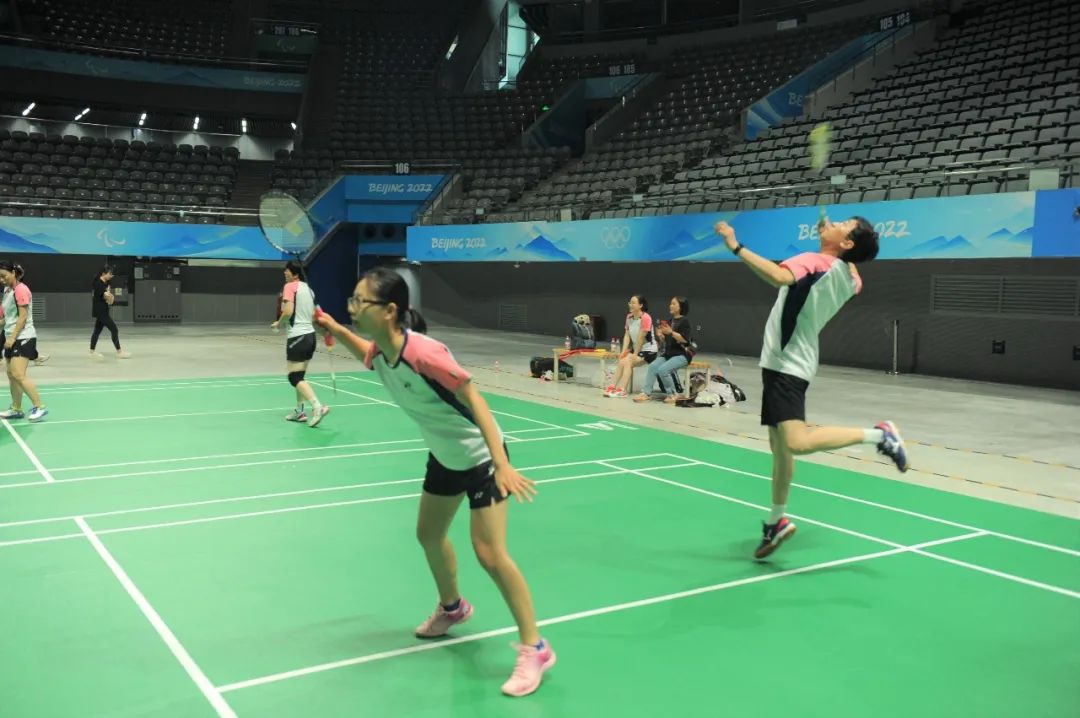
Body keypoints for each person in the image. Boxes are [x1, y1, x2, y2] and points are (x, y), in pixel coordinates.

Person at [313, 267, 555, 697]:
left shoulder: (424, 353)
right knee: (428, 534)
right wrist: (334, 327)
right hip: (445, 456)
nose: (353, 307)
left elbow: (475, 398)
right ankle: (453, 608)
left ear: (390, 311)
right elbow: (366, 353)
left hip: (480, 457)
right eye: (352, 300)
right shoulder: (383, 351)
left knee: (490, 554)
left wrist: (501, 464)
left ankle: (535, 648)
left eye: (359, 302)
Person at [713, 218, 909, 559]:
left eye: (842, 224)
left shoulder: (814, 262)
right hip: (786, 363)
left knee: (796, 443)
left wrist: (735, 245)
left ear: (847, 244)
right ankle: (776, 521)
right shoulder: (849, 277)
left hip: (787, 364)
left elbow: (778, 276)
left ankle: (880, 435)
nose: (832, 223)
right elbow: (853, 273)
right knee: (780, 449)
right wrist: (831, 238)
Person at [270, 261, 329, 427]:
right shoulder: (309, 290)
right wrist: (325, 333)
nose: (285, 273)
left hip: (297, 336)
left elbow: (288, 311)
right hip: (310, 337)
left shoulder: (289, 287)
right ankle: (300, 411)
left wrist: (278, 324)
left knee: (294, 377)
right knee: (300, 377)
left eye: (287, 270)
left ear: (295, 273)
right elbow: (316, 316)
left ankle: (317, 407)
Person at [0, 260, 47, 421]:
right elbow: (7, 318)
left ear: (13, 273)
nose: (1, 280)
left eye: (4, 276)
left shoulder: (21, 290)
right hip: (10, 337)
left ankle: (39, 407)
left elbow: (23, 317)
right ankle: (16, 408)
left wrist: (12, 337)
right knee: (11, 374)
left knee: (18, 374)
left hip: (23, 337)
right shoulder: (7, 291)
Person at [635, 296, 693, 404]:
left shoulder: (685, 321)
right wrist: (661, 336)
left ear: (681, 307)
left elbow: (685, 340)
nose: (670, 306)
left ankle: (673, 394)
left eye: (674, 304)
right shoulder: (670, 321)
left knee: (663, 370)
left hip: (681, 355)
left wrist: (671, 332)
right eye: (670, 303)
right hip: (669, 354)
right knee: (653, 366)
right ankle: (646, 393)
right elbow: (666, 341)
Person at [604, 294, 657, 398]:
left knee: (628, 361)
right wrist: (623, 352)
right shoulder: (629, 317)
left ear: (640, 305)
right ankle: (612, 386)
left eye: (633, 303)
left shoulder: (646, 318)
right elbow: (627, 335)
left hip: (649, 350)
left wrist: (635, 354)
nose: (630, 305)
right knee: (622, 360)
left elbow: (641, 338)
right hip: (637, 348)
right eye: (630, 302)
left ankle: (622, 390)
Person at [89, 265, 130, 360]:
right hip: (100, 311)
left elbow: (109, 299)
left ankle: (91, 352)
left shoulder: (106, 283)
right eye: (110, 274)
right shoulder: (98, 283)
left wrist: (110, 298)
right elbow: (107, 296)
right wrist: (110, 297)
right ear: (104, 273)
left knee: (97, 331)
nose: (111, 276)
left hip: (104, 310)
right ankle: (119, 352)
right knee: (114, 329)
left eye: (112, 274)